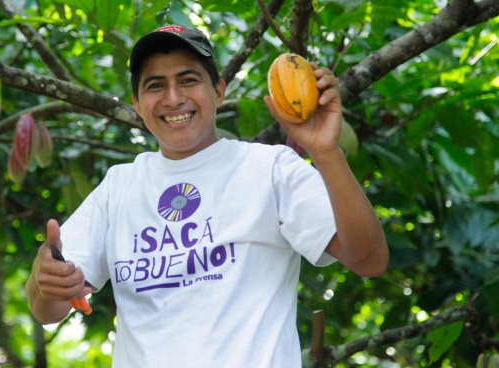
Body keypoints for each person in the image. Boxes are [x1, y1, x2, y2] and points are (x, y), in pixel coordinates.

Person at [25, 24, 389, 367]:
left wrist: (326, 152)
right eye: (155, 86)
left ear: (218, 91)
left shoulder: (270, 168)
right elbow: (47, 310)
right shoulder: (120, 185)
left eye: (188, 80)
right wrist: (49, 282)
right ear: (137, 103)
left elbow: (369, 260)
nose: (173, 98)